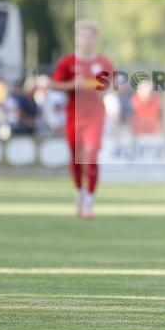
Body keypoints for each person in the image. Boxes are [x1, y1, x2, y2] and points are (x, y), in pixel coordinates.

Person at [50, 20, 114, 220]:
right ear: (77, 38)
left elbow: (111, 86)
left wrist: (105, 91)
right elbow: (54, 84)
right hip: (74, 117)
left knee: (92, 153)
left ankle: (89, 201)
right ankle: (79, 191)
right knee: (76, 160)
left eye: (90, 36)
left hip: (95, 115)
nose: (86, 40)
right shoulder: (68, 62)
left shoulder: (104, 63)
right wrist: (72, 85)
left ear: (95, 39)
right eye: (83, 36)